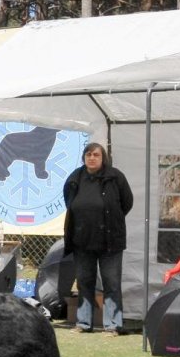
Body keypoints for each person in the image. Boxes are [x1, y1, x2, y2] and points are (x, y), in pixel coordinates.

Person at [63, 142, 133, 336]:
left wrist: (111, 219)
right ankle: (84, 323)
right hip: (81, 241)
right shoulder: (75, 178)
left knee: (111, 283)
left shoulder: (115, 177)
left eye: (96, 155)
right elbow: (68, 200)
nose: (91, 158)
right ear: (84, 157)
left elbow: (127, 202)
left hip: (110, 242)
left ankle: (112, 325)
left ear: (103, 158)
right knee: (84, 282)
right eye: (88, 154)